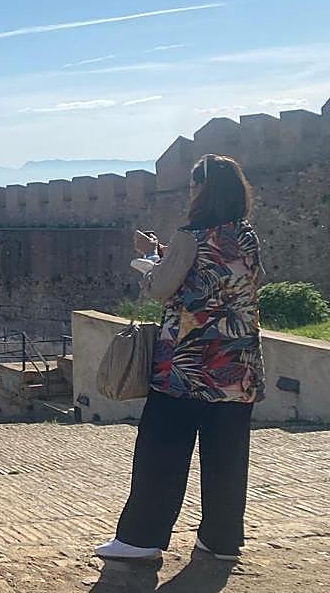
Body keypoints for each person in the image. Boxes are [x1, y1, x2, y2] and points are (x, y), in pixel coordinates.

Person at [96, 154, 265, 563]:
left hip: (187, 365)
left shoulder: (191, 234)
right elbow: (219, 272)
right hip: (236, 366)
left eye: (194, 184)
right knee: (227, 455)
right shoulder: (245, 235)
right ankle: (222, 540)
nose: (190, 190)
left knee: (162, 451)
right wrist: (165, 252)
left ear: (205, 189)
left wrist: (152, 261)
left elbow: (160, 288)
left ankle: (140, 539)